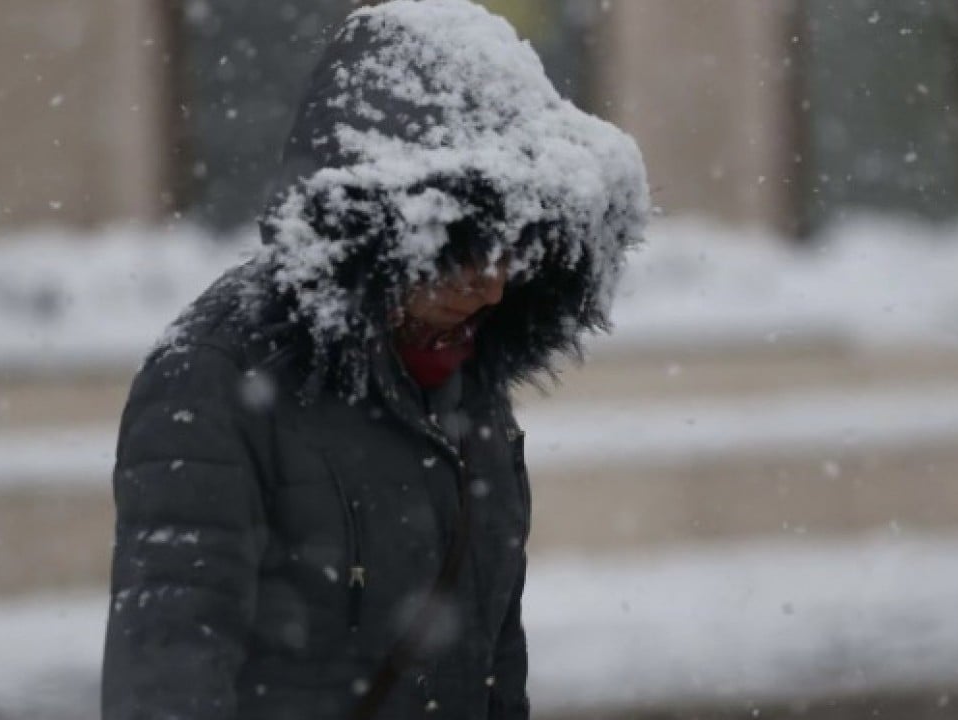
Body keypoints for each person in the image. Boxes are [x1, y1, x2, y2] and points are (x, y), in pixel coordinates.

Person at [101, 0, 648, 718]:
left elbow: (493, 661)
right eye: (460, 248)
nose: (492, 286)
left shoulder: (464, 373)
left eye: (514, 249)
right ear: (374, 232)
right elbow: (170, 666)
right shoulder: (210, 378)